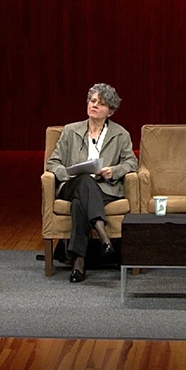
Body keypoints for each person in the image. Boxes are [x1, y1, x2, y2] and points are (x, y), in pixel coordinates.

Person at [46, 84, 138, 283]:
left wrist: (114, 171)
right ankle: (103, 235)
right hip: (71, 184)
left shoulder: (120, 134)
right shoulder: (70, 131)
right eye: (93, 101)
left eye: (101, 103)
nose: (94, 105)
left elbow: (131, 162)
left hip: (103, 188)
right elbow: (53, 162)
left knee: (80, 203)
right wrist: (67, 173)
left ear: (110, 112)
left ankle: (78, 263)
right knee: (84, 180)